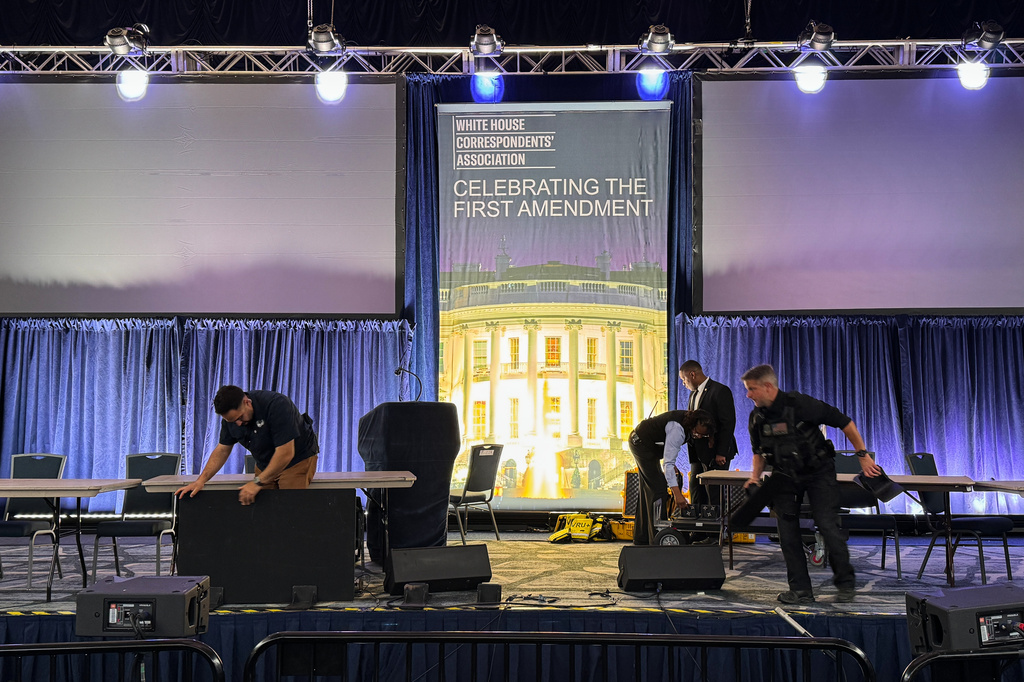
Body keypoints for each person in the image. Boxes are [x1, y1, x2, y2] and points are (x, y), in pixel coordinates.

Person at [740, 364, 881, 604]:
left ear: (768, 386)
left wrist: (863, 455)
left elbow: (844, 422)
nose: (748, 395)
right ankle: (801, 590)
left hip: (818, 472)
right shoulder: (757, 418)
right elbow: (759, 453)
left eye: (752, 389)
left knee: (826, 523)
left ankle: (845, 581)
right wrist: (754, 477)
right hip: (785, 475)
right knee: (787, 531)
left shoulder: (800, 404)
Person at [175, 385, 320, 506]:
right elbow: (222, 450)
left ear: (247, 402)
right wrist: (200, 481)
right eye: (232, 421)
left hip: (297, 459)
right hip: (265, 462)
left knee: (289, 510)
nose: (238, 424)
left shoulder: (276, 405)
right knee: (262, 511)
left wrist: (257, 482)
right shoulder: (231, 420)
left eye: (240, 418)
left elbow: (286, 453)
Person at [628, 408, 715, 545]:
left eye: (701, 435)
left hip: (647, 443)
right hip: (641, 443)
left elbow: (668, 453)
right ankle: (657, 538)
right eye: (697, 432)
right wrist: (677, 495)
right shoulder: (677, 429)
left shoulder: (687, 423)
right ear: (694, 423)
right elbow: (668, 464)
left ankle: (642, 537)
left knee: (648, 489)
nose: (698, 436)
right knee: (658, 488)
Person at [679, 360, 738, 514]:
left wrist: (721, 452)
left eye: (684, 379)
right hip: (698, 453)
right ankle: (699, 530)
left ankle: (714, 534)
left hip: (716, 452)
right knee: (696, 489)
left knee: (714, 493)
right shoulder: (693, 394)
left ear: (692, 374)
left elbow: (728, 423)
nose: (683, 383)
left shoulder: (720, 390)